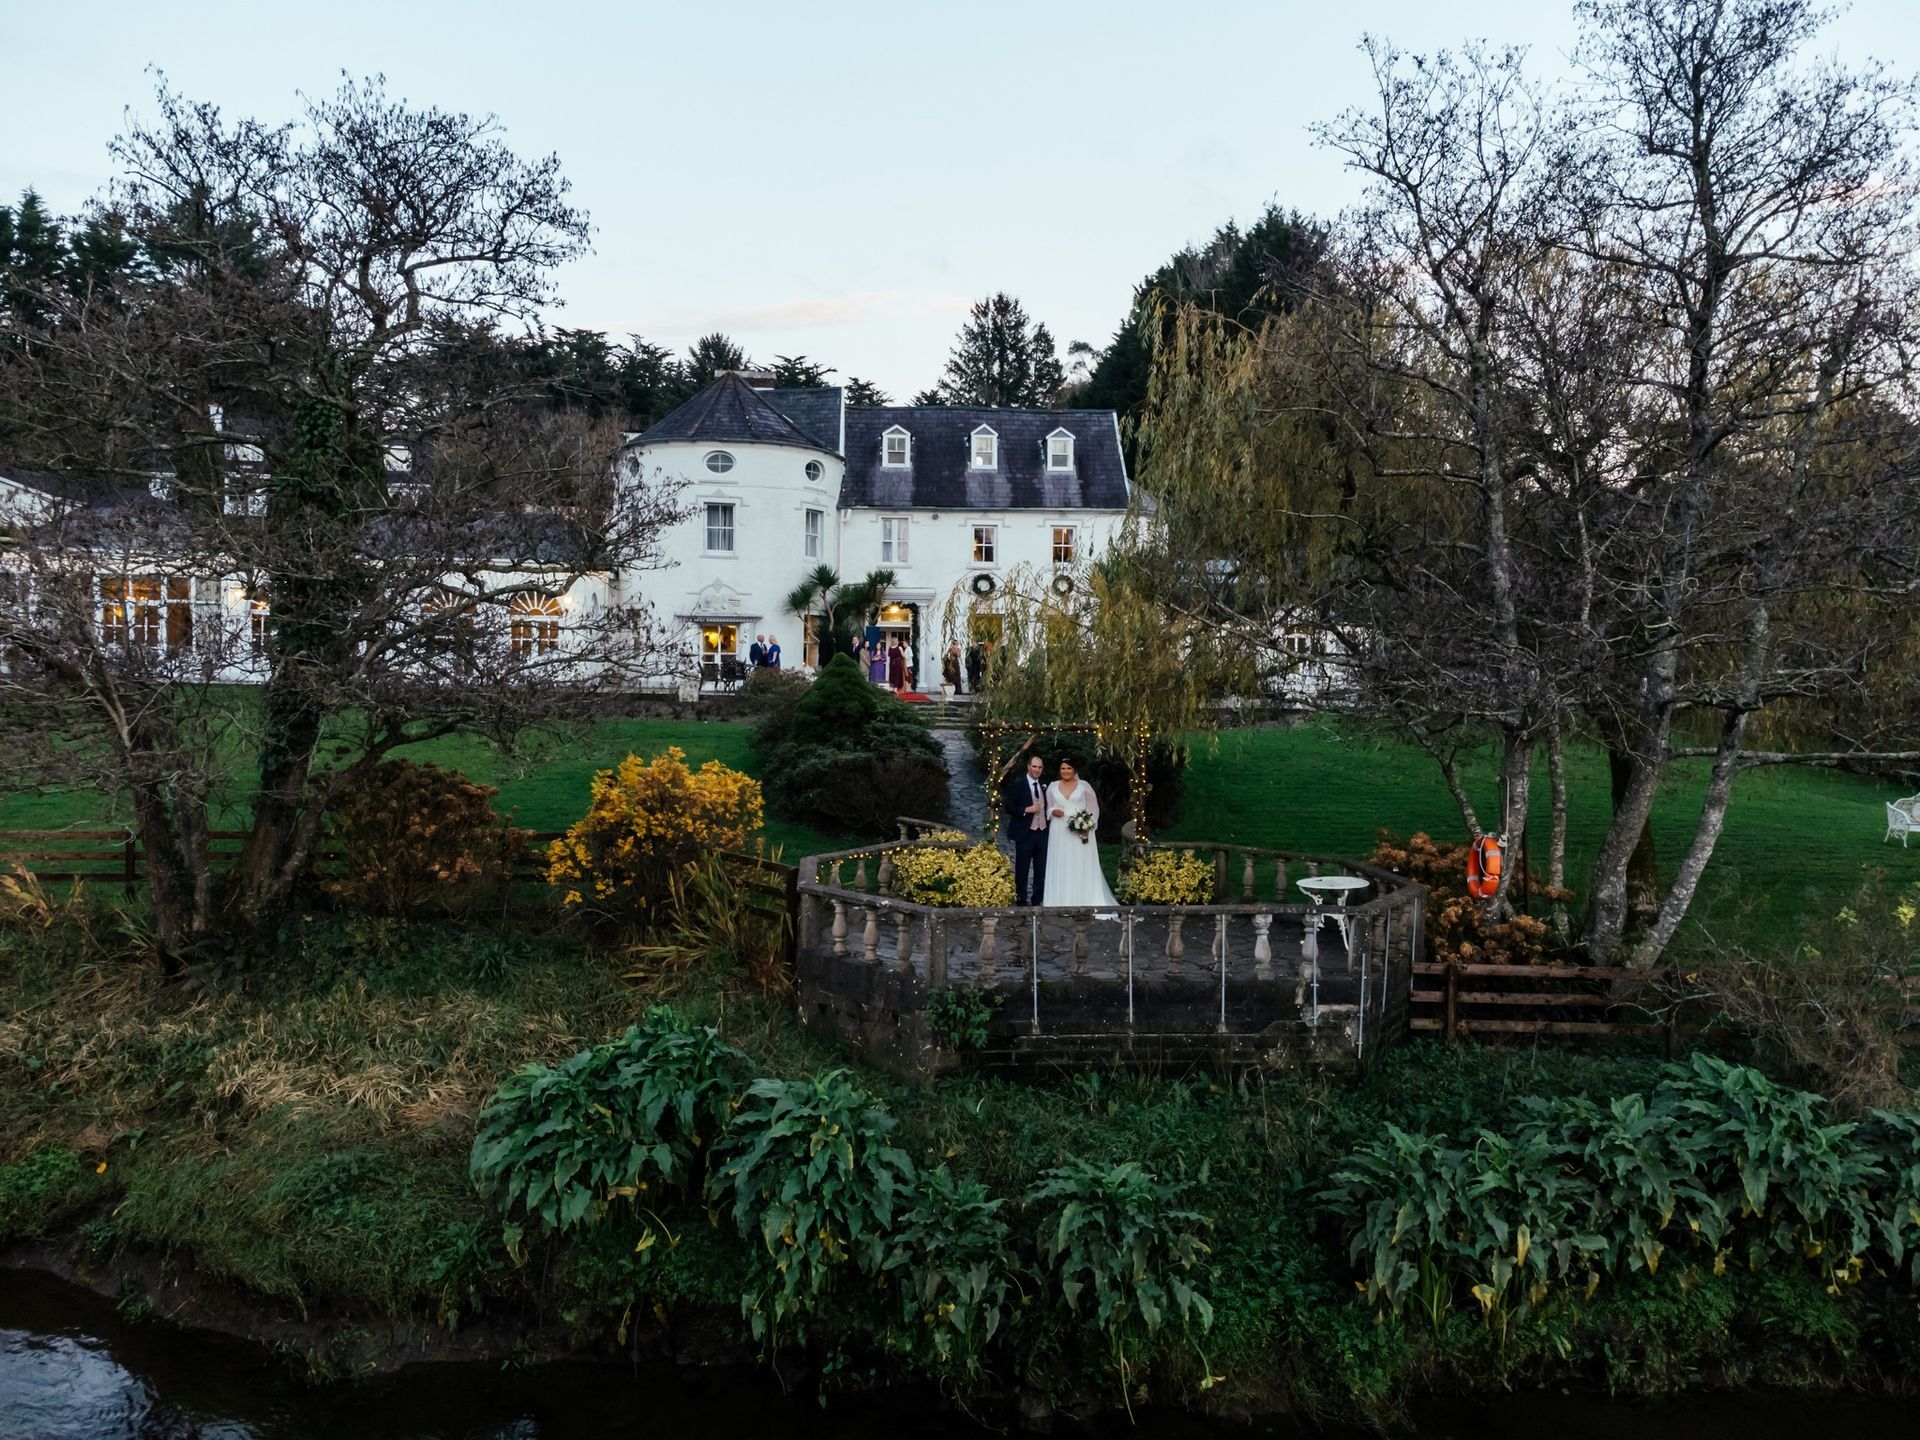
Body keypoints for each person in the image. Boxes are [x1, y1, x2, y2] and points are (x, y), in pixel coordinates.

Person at [1042, 759, 1120, 913]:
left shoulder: (1084, 787)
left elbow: (1094, 810)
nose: (1065, 771)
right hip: (1058, 830)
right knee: (1061, 862)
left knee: (1079, 861)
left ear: (1074, 770)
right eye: (1062, 768)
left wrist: (1087, 825)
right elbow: (1048, 807)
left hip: (1079, 831)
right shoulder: (1052, 787)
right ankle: (1059, 899)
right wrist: (1052, 812)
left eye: (1068, 768)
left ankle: (1083, 897)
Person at [1000, 752, 1050, 906]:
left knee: (1041, 869)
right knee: (1022, 868)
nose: (1037, 770)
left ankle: (1037, 899)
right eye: (1034, 766)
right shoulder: (1018, 784)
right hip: (1025, 832)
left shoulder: (1044, 785)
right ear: (1029, 767)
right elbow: (1008, 806)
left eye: (1040, 767)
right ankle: (1021, 899)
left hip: (1042, 832)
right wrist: (1026, 810)